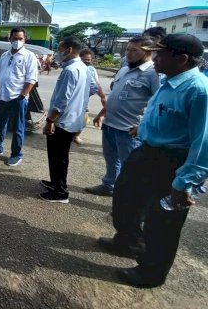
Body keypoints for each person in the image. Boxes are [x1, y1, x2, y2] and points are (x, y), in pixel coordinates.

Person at [98, 34, 208, 288]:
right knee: (125, 200)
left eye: (161, 54)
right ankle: (128, 241)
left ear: (181, 59)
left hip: (171, 161)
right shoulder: (169, 81)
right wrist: (143, 127)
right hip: (146, 152)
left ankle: (151, 273)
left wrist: (184, 183)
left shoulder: (198, 90)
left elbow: (202, 144)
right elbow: (160, 113)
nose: (154, 59)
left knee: (162, 223)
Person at [85, 36, 160, 196]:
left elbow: (159, 104)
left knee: (131, 167)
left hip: (130, 130)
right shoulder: (125, 69)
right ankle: (109, 185)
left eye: (134, 50)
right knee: (111, 160)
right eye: (127, 49)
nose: (128, 54)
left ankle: (128, 201)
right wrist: (101, 113)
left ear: (149, 52)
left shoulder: (153, 73)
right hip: (110, 125)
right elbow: (115, 95)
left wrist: (143, 126)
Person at [39, 37, 91, 203]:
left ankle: (60, 193)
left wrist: (50, 121)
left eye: (59, 49)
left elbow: (62, 101)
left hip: (62, 121)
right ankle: (55, 184)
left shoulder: (70, 70)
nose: (57, 53)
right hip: (73, 120)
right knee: (59, 157)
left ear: (68, 50)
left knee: (58, 158)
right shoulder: (83, 68)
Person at [0, 28, 38, 166]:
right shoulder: (4, 56)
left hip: (18, 98)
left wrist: (22, 96)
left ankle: (16, 154)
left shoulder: (30, 56)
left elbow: (31, 80)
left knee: (18, 127)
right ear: (9, 39)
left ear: (25, 40)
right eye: (15, 38)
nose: (17, 41)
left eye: (20, 38)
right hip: (2, 96)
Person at [73, 48, 106, 144]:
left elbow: (96, 84)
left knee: (83, 118)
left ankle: (76, 135)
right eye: (85, 60)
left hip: (84, 98)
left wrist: (102, 97)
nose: (87, 62)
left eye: (89, 60)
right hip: (73, 98)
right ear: (80, 58)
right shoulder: (75, 68)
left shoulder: (91, 69)